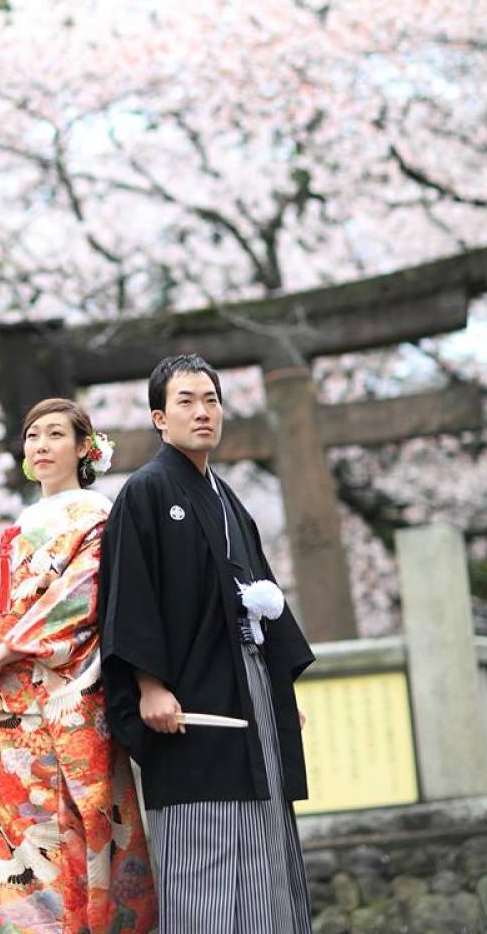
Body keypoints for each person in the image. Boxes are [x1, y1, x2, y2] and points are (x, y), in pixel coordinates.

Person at [99, 354, 315, 934]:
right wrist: (148, 684)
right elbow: (130, 596)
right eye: (187, 402)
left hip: (249, 690)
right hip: (188, 700)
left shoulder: (228, 501)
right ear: (159, 419)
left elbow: (262, 595)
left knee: (265, 833)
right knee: (205, 847)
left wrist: (276, 685)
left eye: (211, 400)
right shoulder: (144, 493)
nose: (202, 413)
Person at [0, 397, 157, 934]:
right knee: (0, 843)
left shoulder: (98, 517)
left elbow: (79, 600)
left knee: (57, 840)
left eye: (55, 435)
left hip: (54, 700)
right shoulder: (21, 523)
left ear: (85, 447)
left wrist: (4, 654)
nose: (41, 446)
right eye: (33, 436)